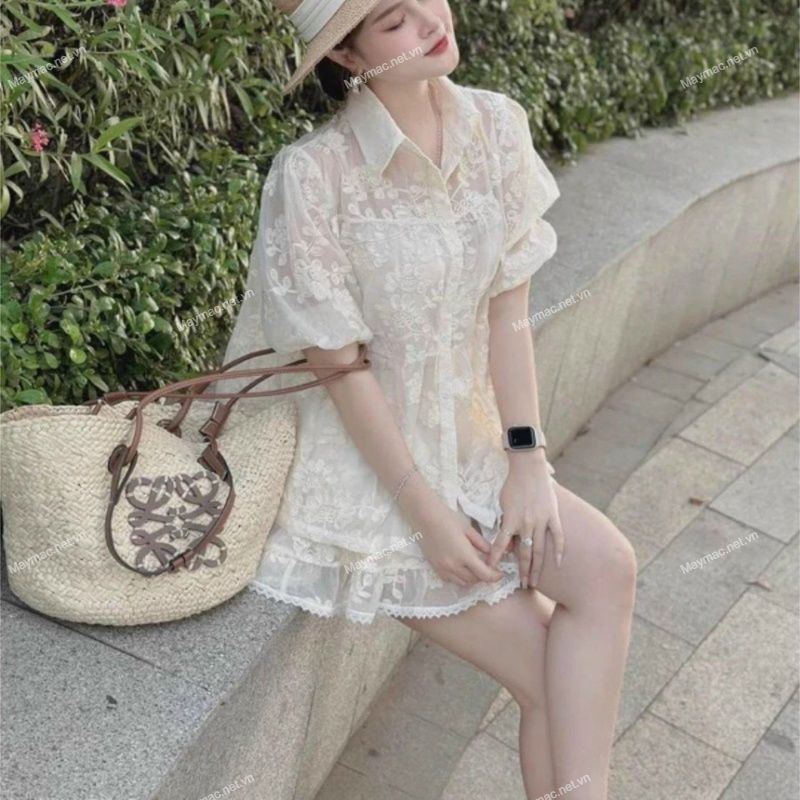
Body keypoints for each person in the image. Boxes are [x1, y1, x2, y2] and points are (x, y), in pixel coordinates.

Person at [220, 2, 637, 797]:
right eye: (392, 21)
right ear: (348, 57)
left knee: (607, 569)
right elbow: (340, 370)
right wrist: (428, 517)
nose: (428, 22)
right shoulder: (314, 174)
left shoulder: (495, 125)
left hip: (472, 443)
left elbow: (508, 317)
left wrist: (527, 461)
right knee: (550, 676)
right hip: (367, 476)